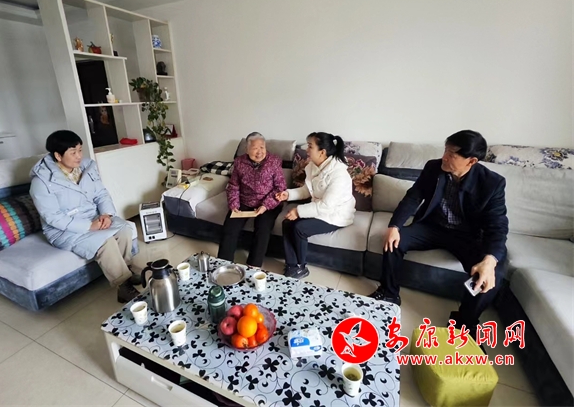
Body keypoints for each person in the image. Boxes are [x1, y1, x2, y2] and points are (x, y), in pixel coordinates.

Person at [369, 130, 508, 336]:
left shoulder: (492, 183)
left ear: (471, 161)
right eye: (445, 150)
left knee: (494, 271)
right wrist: (394, 226)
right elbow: (413, 197)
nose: (444, 157)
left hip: (468, 236)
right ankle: (389, 293)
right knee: (394, 241)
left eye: (452, 154)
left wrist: (490, 260)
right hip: (432, 227)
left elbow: (497, 225)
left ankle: (465, 321)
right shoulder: (433, 168)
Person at [30, 130, 140, 303]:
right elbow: (53, 218)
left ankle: (126, 269)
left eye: (80, 150)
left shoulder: (87, 167)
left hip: (93, 216)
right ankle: (123, 285)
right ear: (58, 155)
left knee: (125, 229)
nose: (79, 156)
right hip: (64, 230)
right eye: (73, 152)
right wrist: (89, 226)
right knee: (105, 242)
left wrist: (106, 214)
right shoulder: (42, 181)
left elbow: (101, 194)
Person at [276, 132, 355, 279]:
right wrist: (288, 194)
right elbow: (308, 190)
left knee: (300, 228)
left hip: (336, 214)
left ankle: (301, 266)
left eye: (310, 146)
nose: (306, 150)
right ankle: (292, 265)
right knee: (287, 222)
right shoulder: (313, 166)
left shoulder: (339, 174)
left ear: (322, 152)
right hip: (321, 208)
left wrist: (298, 211)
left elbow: (326, 206)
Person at [217, 132, 287, 267]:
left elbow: (280, 188)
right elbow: (233, 185)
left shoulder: (274, 162)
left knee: (263, 229)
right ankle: (223, 264)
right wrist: (234, 204)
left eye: (262, 147)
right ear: (247, 149)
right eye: (255, 148)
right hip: (245, 201)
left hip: (268, 203)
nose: (259, 152)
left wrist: (265, 205)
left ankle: (253, 266)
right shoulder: (239, 162)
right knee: (230, 228)